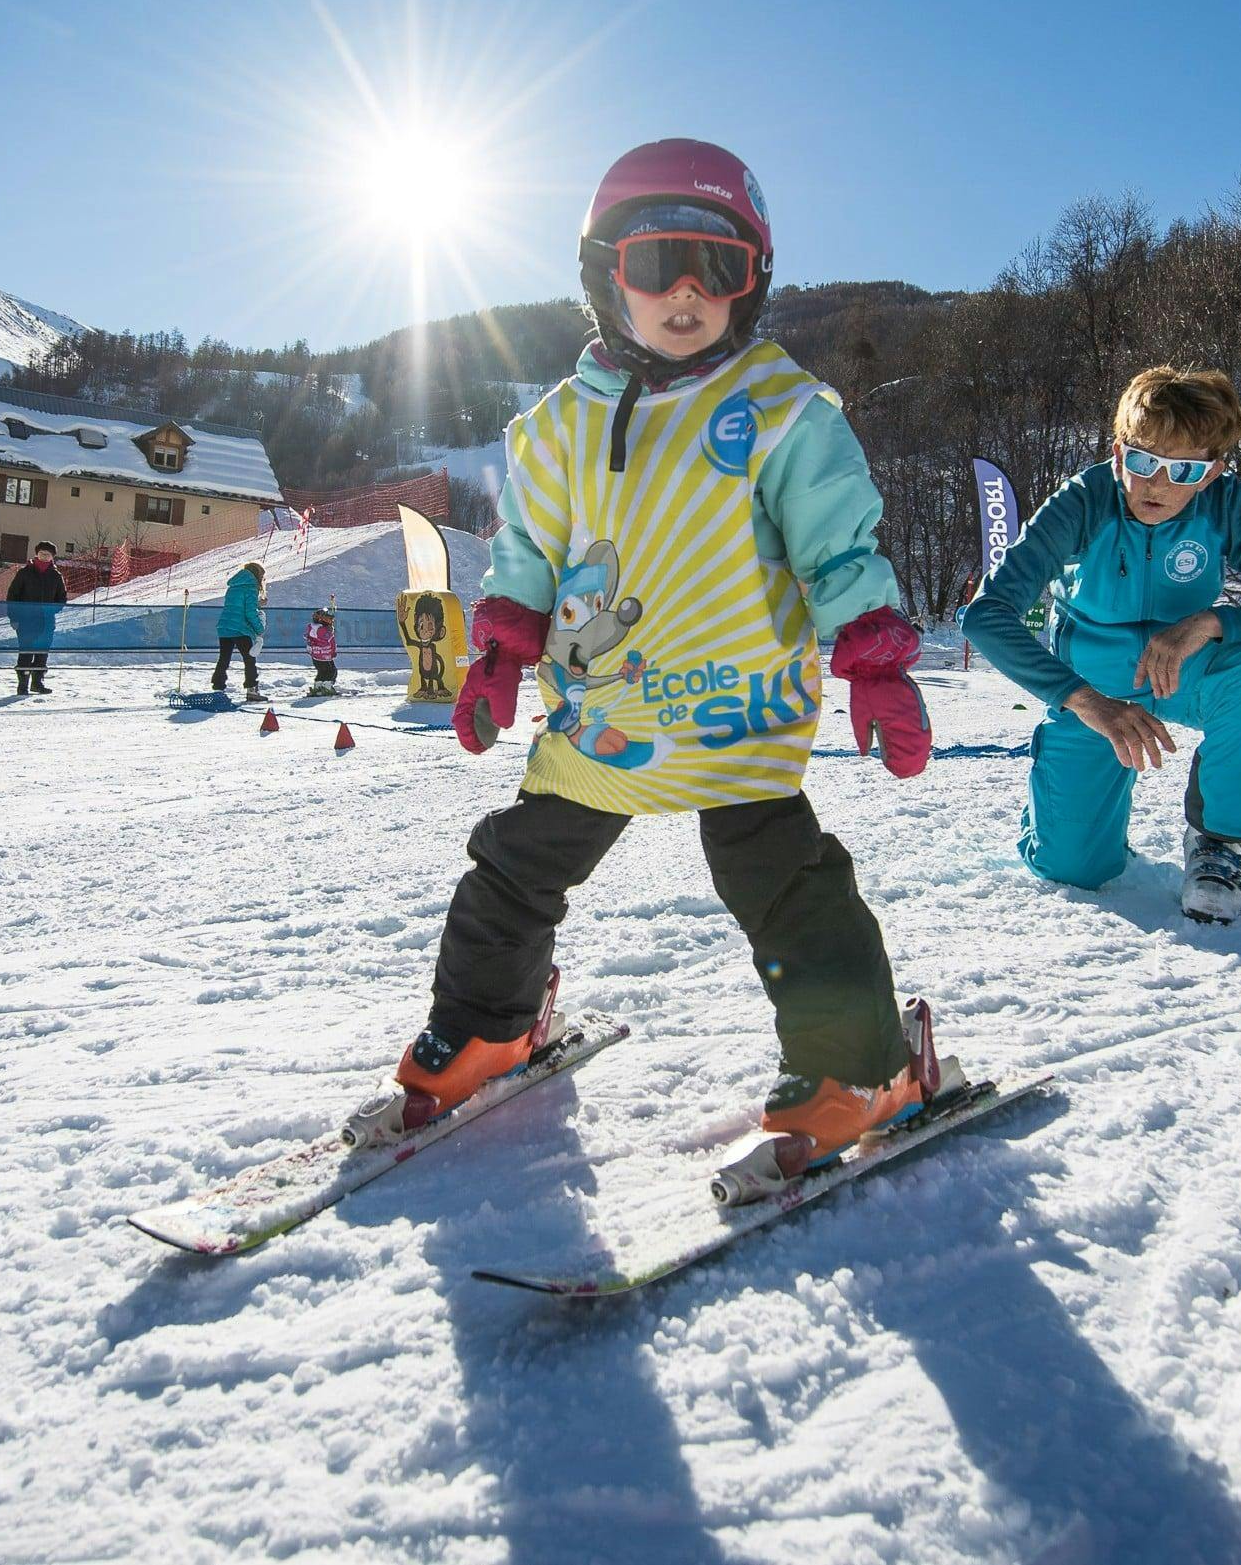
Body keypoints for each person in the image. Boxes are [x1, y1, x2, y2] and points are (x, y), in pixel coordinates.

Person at [345, 139, 943, 1178]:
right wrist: (498, 651)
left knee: (784, 886)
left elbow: (837, 545)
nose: (683, 292)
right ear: (600, 275)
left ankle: (863, 1069)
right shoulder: (554, 429)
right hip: (601, 717)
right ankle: (490, 1028)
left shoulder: (782, 413)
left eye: (716, 268)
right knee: (512, 870)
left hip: (737, 711)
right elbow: (528, 553)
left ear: (751, 285)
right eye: (657, 260)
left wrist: (875, 659)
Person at [961, 367, 1241, 924]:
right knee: (1072, 868)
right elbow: (985, 617)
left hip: (1189, 672)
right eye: (1144, 461)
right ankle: (1067, 818)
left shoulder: (1229, 507)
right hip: (1093, 686)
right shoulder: (1082, 502)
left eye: (1184, 469)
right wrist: (1083, 700)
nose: (1158, 485)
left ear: (1212, 473)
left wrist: (1212, 622)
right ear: (1120, 452)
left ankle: (1218, 842)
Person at [5, 541, 66, 696]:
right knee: (26, 652)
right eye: (42, 553)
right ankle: (22, 685)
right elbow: (13, 596)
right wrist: (14, 617)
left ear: (52, 557)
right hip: (25, 621)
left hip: (46, 622)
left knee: (42, 653)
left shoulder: (56, 576)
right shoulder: (24, 573)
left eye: (48, 554)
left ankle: (37, 683)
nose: (44, 556)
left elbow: (61, 598)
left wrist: (51, 610)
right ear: (36, 554)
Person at [212, 560, 267, 701]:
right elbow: (249, 612)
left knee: (223, 659)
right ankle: (252, 689)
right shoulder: (251, 588)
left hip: (224, 627)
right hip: (240, 629)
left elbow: (236, 605)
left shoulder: (233, 585)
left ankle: (218, 688)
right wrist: (259, 628)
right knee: (249, 659)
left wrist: (257, 603)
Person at [306, 606, 340, 696]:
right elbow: (331, 642)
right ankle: (327, 688)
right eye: (328, 618)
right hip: (326, 656)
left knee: (321, 672)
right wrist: (333, 652)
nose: (330, 620)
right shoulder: (325, 631)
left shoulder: (311, 628)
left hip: (316, 657)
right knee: (332, 672)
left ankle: (317, 687)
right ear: (322, 619)